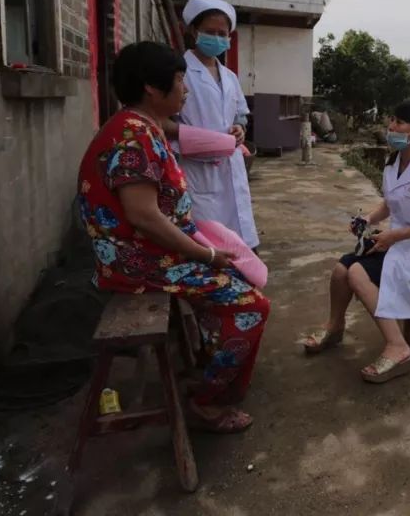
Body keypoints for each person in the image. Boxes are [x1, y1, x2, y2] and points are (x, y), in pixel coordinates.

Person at [77, 41, 269, 432]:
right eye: (180, 80)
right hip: (139, 260)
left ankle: (216, 366)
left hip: (148, 252)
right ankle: (208, 400)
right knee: (252, 306)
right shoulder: (134, 137)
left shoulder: (140, 126)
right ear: (152, 86)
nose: (185, 89)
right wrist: (204, 253)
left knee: (238, 279)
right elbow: (143, 216)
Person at [304, 100, 410, 383]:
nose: (391, 127)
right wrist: (367, 220)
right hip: (395, 243)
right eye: (392, 121)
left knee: (357, 273)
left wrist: (394, 235)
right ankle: (335, 326)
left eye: (399, 122)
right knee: (340, 271)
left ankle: (398, 348)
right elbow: (389, 205)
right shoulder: (392, 163)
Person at [163, 0, 259, 251]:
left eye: (222, 33)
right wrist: (203, 139)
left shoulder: (230, 77)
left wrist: (240, 129)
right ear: (194, 31)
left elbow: (240, 114)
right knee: (207, 243)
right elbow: (163, 121)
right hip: (197, 169)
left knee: (240, 240)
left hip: (231, 164)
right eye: (209, 32)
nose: (217, 38)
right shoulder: (179, 71)